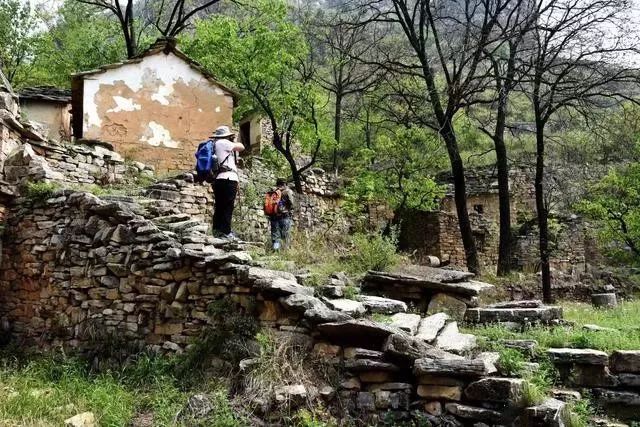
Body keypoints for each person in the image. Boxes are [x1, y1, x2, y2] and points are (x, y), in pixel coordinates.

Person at [211, 125, 245, 239]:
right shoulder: (223, 143)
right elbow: (241, 147)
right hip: (228, 178)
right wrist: (234, 140)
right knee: (228, 206)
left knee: (220, 205)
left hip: (220, 178)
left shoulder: (216, 144)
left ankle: (217, 230)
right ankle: (225, 231)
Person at [268, 178, 295, 251]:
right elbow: (291, 203)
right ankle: (284, 252)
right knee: (285, 235)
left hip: (273, 217)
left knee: (276, 236)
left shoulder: (273, 191)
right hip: (285, 216)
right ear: (285, 184)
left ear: (277, 183)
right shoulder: (287, 191)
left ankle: (276, 250)